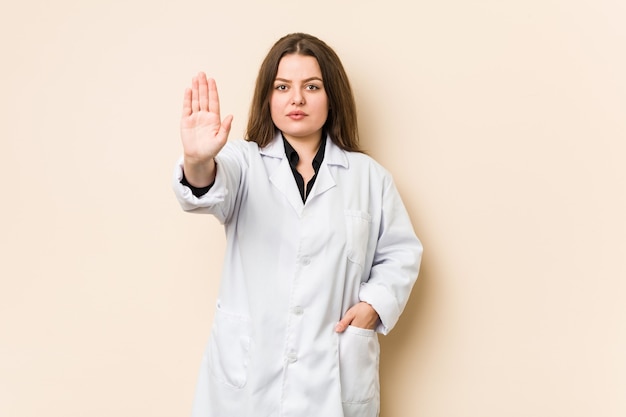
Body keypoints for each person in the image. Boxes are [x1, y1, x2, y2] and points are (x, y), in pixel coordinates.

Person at [172, 32, 422, 417]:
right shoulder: (244, 162)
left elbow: (402, 253)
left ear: (332, 96)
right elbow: (207, 187)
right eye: (283, 86)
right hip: (249, 377)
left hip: (331, 375)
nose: (297, 98)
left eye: (312, 86)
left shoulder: (370, 178)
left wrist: (374, 304)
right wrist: (197, 160)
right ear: (268, 96)